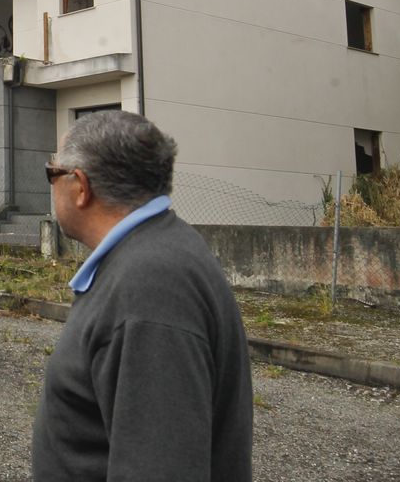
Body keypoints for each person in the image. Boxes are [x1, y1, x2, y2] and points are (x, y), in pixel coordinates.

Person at [32, 110, 252, 481]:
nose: (51, 185)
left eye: (53, 173)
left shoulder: (151, 286)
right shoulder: (153, 255)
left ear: (80, 187)